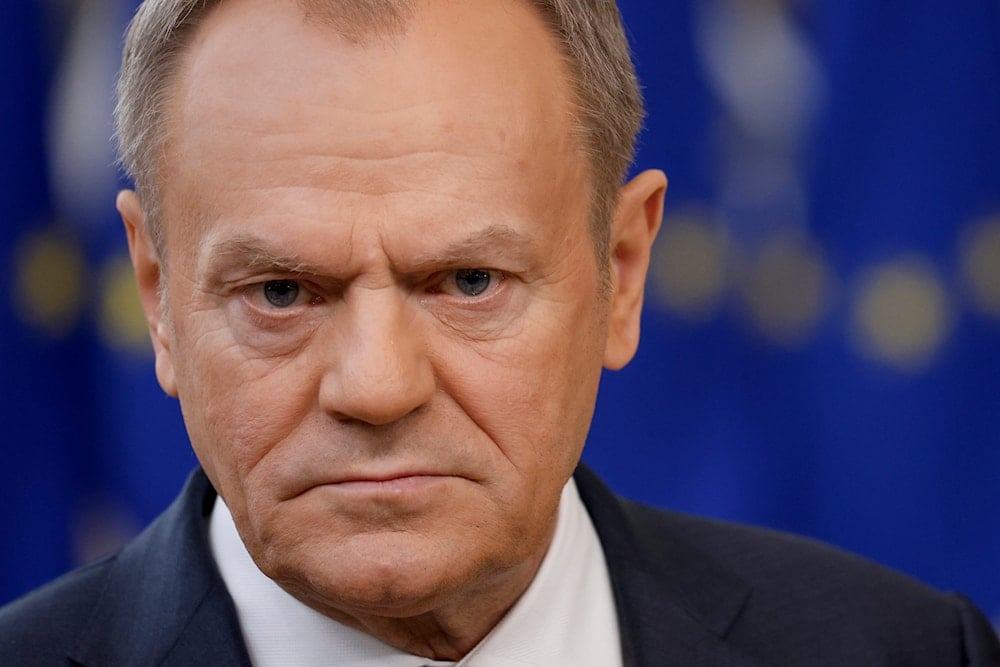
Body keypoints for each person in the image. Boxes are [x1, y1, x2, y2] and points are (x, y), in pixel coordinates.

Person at [1, 0, 998, 664]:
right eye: (282, 292)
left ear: (620, 275)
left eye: (467, 280)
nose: (377, 386)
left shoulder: (906, 650)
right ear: (158, 295)